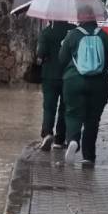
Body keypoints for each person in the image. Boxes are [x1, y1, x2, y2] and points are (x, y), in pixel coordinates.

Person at [58, 9, 108, 164]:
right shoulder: (105, 36)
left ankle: (73, 141)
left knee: (72, 114)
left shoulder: (72, 35)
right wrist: (99, 69)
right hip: (99, 84)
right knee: (92, 119)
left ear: (80, 18)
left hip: (74, 82)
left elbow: (62, 59)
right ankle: (88, 156)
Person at [36, 20, 75, 151]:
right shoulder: (73, 31)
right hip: (68, 76)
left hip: (49, 76)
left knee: (49, 107)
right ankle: (59, 140)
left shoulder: (46, 33)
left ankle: (47, 134)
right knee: (64, 109)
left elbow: (40, 53)